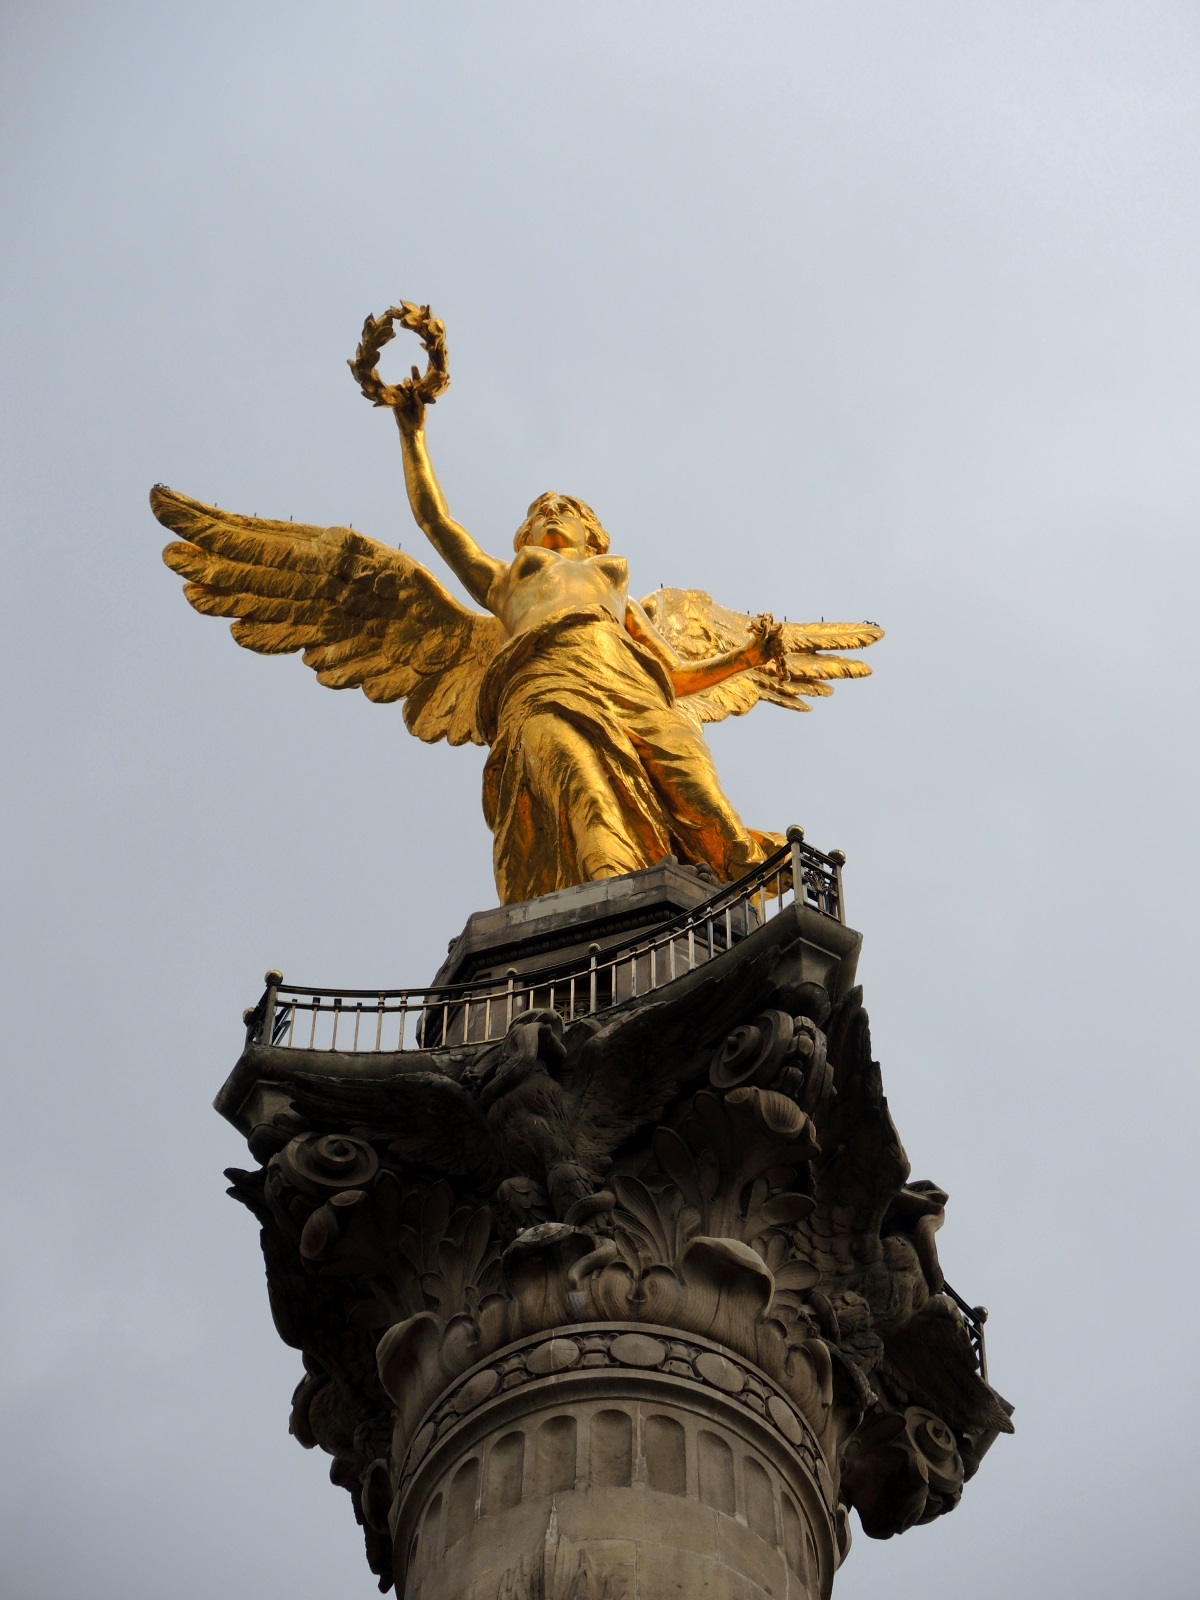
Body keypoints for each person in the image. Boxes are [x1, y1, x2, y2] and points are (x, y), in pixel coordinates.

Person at [392, 390, 786, 904]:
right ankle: (613, 902)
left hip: (632, 683)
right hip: (546, 680)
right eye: (540, 512)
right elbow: (436, 523)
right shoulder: (507, 579)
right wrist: (412, 432)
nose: (552, 514)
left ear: (592, 535)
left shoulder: (613, 584)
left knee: (696, 787)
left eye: (565, 510)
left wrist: (747, 658)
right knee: (583, 792)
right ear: (524, 535)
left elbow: (675, 676)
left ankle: (744, 865)